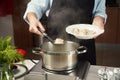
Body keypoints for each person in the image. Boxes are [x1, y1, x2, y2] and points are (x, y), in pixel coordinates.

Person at [23, 0, 107, 65]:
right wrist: (32, 17)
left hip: (84, 40)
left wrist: (99, 19)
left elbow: (100, 10)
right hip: (53, 38)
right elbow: (36, 4)